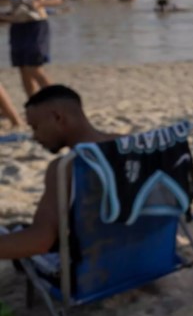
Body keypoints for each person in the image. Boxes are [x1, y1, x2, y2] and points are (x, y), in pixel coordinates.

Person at [0, 86, 116, 261]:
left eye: (35, 127)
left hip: (97, 269)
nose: (34, 136)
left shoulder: (67, 167)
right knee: (18, 227)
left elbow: (39, 242)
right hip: (150, 257)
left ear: (58, 118)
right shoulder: (131, 145)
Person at [1, 0, 62, 98]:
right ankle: (34, 105)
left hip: (35, 24)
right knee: (22, 69)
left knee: (33, 67)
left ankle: (59, 100)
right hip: (17, 24)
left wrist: (39, 2)